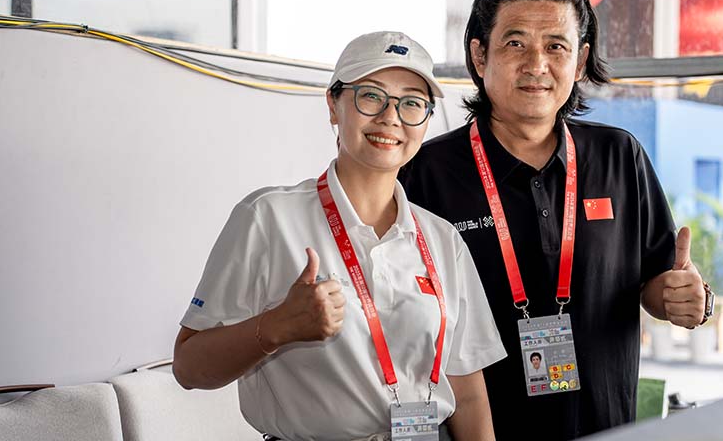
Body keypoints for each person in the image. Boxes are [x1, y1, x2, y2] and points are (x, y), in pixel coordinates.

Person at [400, 0, 712, 439]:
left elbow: (657, 281)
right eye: (515, 43)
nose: (536, 64)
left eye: (556, 46)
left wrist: (681, 299)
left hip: (604, 425)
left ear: (581, 60)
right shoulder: (426, 172)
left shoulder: (619, 156)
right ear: (480, 55)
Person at [173, 32, 506, 441]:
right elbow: (188, 367)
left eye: (412, 103)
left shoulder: (443, 240)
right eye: (371, 96)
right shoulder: (268, 218)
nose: (391, 117)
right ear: (333, 105)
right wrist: (275, 327)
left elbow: (468, 396)